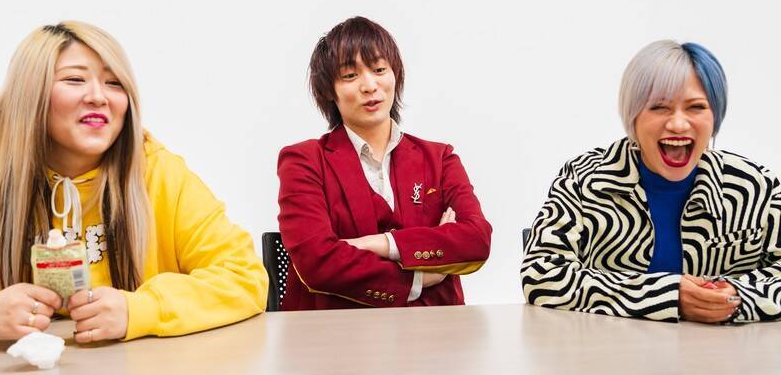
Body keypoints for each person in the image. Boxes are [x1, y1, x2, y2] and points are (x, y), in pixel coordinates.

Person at [0, 22, 268, 343]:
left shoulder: (160, 173)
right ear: (29, 94)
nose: (98, 97)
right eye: (75, 80)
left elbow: (244, 277)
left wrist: (142, 310)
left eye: (114, 83)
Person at [522, 40, 781, 323]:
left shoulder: (757, 186)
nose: (678, 124)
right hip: (611, 347)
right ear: (632, 116)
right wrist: (668, 296)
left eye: (696, 107)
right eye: (659, 107)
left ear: (715, 116)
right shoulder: (584, 178)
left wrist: (739, 297)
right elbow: (540, 273)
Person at [277, 16, 491, 309]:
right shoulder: (303, 161)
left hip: (436, 329)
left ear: (395, 75)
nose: (369, 85)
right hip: (336, 330)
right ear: (329, 90)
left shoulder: (440, 158)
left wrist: (379, 244)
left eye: (379, 70)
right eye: (350, 75)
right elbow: (317, 262)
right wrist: (419, 277)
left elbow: (476, 239)